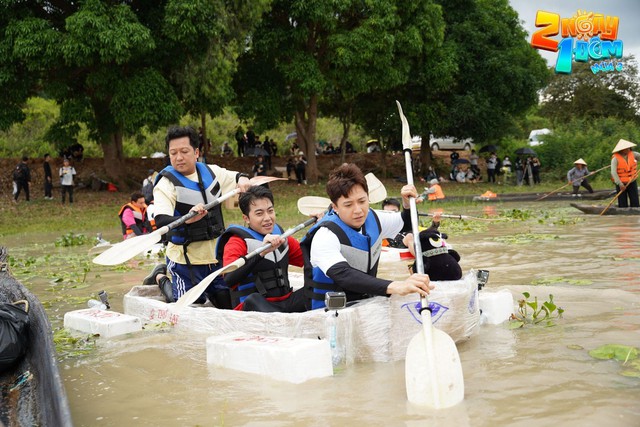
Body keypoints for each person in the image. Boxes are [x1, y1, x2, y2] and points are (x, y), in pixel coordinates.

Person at [140, 126, 251, 305]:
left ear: (196, 152)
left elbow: (237, 176)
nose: (179, 157)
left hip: (216, 258)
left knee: (227, 303)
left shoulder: (212, 172)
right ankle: (161, 277)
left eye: (184, 151)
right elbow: (161, 221)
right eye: (173, 153)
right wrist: (188, 219)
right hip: (185, 262)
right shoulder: (166, 184)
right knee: (188, 306)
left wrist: (243, 178)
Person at [300, 163, 433, 310]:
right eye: (348, 205)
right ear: (335, 207)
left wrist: (408, 204)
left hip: (363, 304)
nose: (358, 210)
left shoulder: (374, 218)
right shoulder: (325, 235)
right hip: (328, 312)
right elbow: (343, 275)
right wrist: (396, 286)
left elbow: (406, 223)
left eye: (362, 201)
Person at [216, 186, 306, 312]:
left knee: (315, 290)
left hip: (286, 302)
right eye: (259, 213)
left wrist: (319, 227)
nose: (267, 218)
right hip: (256, 305)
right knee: (253, 299)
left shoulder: (281, 236)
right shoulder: (236, 242)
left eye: (270, 211)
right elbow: (229, 279)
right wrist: (261, 253)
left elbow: (310, 258)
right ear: (246, 218)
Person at [610, 138, 640, 208]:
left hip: (632, 181)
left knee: (635, 200)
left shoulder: (633, 154)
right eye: (626, 148)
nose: (628, 149)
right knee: (622, 203)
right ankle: (623, 213)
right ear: (622, 149)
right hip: (621, 183)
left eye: (629, 148)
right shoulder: (615, 159)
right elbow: (613, 172)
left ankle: (635, 213)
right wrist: (620, 184)